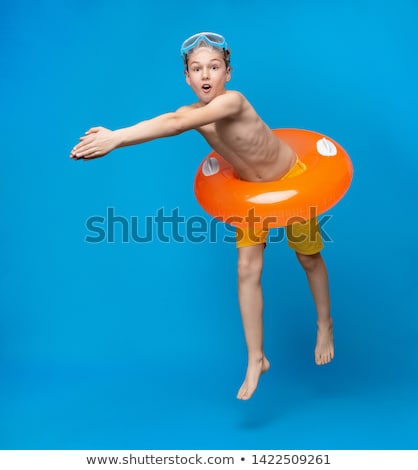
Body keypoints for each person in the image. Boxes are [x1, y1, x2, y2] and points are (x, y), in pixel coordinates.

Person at [70, 32, 334, 401]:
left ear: (228, 72)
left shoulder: (233, 102)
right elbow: (169, 119)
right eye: (196, 68)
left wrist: (117, 139)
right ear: (187, 78)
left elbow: (176, 125)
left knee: (307, 257)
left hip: (290, 182)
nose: (205, 74)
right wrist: (116, 133)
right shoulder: (193, 114)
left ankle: (324, 323)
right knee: (246, 270)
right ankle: (256, 358)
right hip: (251, 196)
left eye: (214, 66)